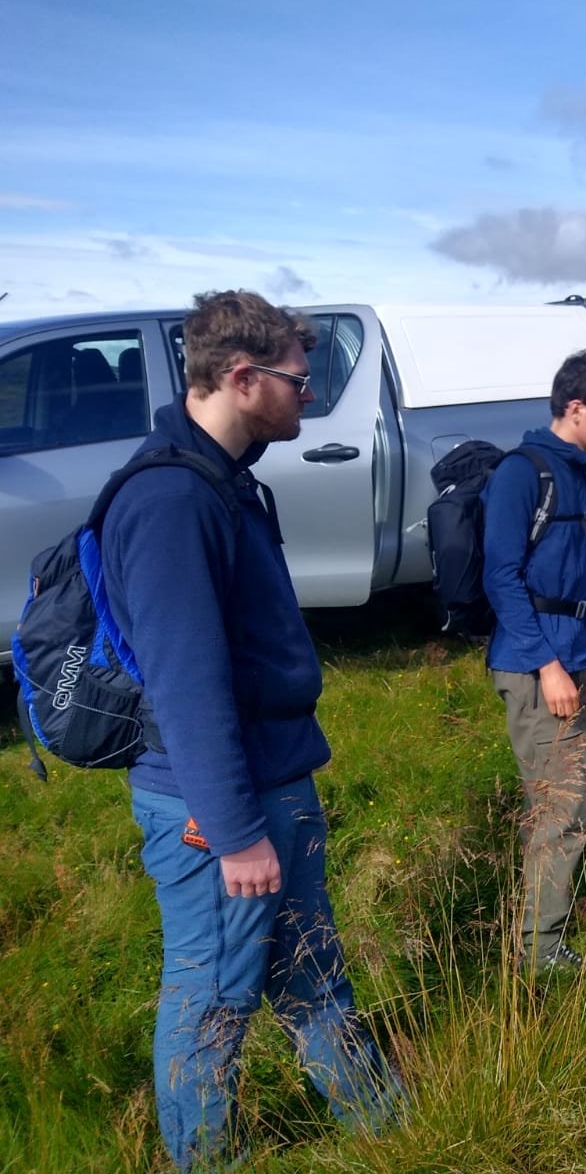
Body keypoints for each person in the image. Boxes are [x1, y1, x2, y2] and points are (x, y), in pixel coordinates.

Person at [101, 290, 400, 1171]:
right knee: (214, 997)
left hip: (269, 778)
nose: (309, 396)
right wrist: (233, 835)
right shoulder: (170, 504)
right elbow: (187, 685)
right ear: (241, 379)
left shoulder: (228, 482)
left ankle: (391, 1134)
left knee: (311, 970)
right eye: (299, 382)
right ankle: (207, 1159)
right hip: (215, 811)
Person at [482, 348, 586, 972]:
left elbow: (573, 575)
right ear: (575, 408)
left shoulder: (578, 469)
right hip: (533, 666)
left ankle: (542, 938)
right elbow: (503, 576)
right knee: (561, 808)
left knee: (570, 804)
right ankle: (538, 953)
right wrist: (548, 666)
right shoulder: (525, 474)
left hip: (568, 654)